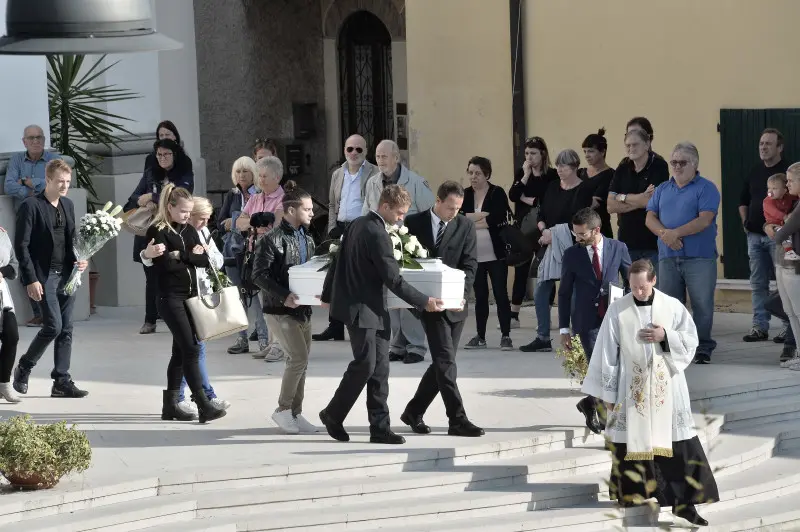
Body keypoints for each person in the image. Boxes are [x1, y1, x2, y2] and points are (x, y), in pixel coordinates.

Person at [581, 259, 719, 527]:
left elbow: (690, 340)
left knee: (677, 444)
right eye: (633, 287)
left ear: (653, 280)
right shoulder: (618, 310)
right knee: (633, 441)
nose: (638, 292)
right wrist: (606, 393)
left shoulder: (672, 306)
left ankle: (684, 504)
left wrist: (665, 335)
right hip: (631, 389)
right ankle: (634, 493)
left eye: (643, 287)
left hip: (666, 385)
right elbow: (606, 351)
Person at [319, 184, 444, 444]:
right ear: (384, 206)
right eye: (399, 213)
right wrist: (425, 301)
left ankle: (380, 427)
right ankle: (333, 413)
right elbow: (393, 280)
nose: (401, 219)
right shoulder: (377, 234)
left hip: (371, 308)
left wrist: (328, 295)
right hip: (361, 308)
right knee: (365, 365)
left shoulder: (356, 224)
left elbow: (337, 261)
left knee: (380, 369)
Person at [400, 181, 484, 437]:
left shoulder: (466, 226)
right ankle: (457, 419)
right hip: (429, 304)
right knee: (446, 361)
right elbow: (405, 261)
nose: (454, 212)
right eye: (450, 207)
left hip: (456, 304)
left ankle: (414, 411)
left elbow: (470, 265)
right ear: (437, 201)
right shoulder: (413, 224)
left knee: (442, 362)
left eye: (458, 208)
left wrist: (462, 295)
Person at [141, 197, 231, 417]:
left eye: (189, 212)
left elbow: (204, 261)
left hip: (191, 296)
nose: (186, 216)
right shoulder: (158, 230)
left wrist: (181, 255)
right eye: (183, 211)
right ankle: (203, 403)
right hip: (170, 297)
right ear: (170, 207)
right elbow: (166, 266)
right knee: (191, 348)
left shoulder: (188, 230)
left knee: (181, 351)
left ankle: (171, 405)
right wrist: (190, 257)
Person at [12, 159, 89, 398]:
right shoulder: (31, 206)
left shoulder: (68, 204)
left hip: (67, 274)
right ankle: (24, 366)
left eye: (67, 181)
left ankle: (61, 381)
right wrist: (30, 280)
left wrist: (81, 258)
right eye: (60, 182)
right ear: (47, 180)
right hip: (44, 276)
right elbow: (21, 246)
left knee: (66, 328)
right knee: (53, 325)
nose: (65, 186)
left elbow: (72, 239)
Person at [252, 182, 319, 434]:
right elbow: (258, 275)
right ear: (291, 210)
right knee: (297, 359)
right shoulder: (271, 240)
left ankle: (295, 412)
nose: (312, 213)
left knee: (302, 362)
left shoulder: (307, 237)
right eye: (308, 208)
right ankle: (282, 410)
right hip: (279, 310)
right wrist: (284, 296)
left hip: (303, 309)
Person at [645, 142, 720, 364]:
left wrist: (674, 233)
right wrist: (665, 234)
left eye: (682, 162)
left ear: (695, 164)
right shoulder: (662, 189)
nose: (676, 166)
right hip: (668, 257)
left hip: (700, 258)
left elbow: (705, 219)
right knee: (669, 305)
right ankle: (672, 345)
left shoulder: (706, 188)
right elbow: (649, 217)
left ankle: (702, 347)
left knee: (702, 305)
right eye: (674, 162)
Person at [558, 208, 631, 433]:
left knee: (615, 368)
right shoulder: (572, 254)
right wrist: (563, 329)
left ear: (596, 230)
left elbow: (631, 280)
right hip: (585, 321)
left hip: (613, 318)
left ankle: (589, 403)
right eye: (575, 234)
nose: (577, 239)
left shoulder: (618, 248)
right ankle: (609, 425)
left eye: (582, 235)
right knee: (597, 369)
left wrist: (629, 308)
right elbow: (564, 293)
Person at [362, 140, 435, 364]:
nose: (380, 160)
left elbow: (429, 211)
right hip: (382, 246)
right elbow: (367, 211)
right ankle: (398, 345)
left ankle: (415, 347)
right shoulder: (373, 182)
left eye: (385, 156)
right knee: (390, 296)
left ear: (396, 158)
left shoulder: (414, 181)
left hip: (409, 247)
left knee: (409, 295)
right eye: (378, 156)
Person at [521, 149, 594, 353]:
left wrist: (554, 234)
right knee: (541, 290)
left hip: (573, 244)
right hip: (548, 242)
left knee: (571, 292)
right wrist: (544, 230)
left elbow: (580, 219)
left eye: (564, 166)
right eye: (558, 165)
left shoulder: (583, 189)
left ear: (574, 168)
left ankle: (575, 336)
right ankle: (542, 336)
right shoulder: (552, 186)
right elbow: (542, 212)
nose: (559, 169)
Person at [125, 134, 194, 335]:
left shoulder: (183, 173)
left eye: (166, 154)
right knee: (151, 275)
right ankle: (150, 319)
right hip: (151, 229)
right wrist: (144, 200)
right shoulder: (150, 173)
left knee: (177, 271)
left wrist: (154, 196)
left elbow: (181, 196)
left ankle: (182, 316)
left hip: (174, 230)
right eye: (159, 154)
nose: (162, 158)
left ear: (175, 155)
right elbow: (134, 196)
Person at [314, 134, 377, 342]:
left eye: (359, 149)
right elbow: (332, 204)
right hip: (340, 227)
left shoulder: (373, 172)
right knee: (335, 277)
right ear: (344, 150)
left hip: (361, 228)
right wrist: (332, 226)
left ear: (366, 151)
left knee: (357, 276)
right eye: (350, 149)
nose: (354, 153)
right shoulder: (337, 174)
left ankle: (358, 321)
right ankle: (335, 325)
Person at [4, 124, 62, 327]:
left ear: (44, 139)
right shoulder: (17, 160)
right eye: (31, 138)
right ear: (24, 142)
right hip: (25, 219)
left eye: (39, 137)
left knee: (49, 266)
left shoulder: (53, 161)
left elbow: (55, 185)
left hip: (49, 218)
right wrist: (36, 190)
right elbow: (9, 185)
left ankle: (51, 313)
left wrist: (29, 183)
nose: (36, 141)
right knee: (26, 263)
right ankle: (39, 313)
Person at [739, 128, 791, 344]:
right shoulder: (754, 171)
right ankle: (759, 327)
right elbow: (742, 200)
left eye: (768, 144)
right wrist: (745, 222)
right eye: (761, 143)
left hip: (778, 239)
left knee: (783, 284)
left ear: (779, 147)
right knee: (758, 283)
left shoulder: (788, 175)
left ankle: (788, 329)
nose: (763, 147)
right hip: (754, 236)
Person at [230, 156, 283, 360]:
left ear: (276, 177)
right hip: (255, 254)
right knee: (264, 302)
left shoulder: (283, 198)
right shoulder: (255, 198)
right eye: (259, 176)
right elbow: (239, 223)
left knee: (277, 301)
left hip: (276, 257)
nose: (260, 180)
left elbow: (277, 225)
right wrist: (254, 222)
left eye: (264, 176)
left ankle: (280, 345)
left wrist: (259, 221)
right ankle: (271, 343)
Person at [459, 156, 514, 351]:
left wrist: (473, 220)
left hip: (496, 253)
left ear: (487, 174)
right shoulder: (464, 194)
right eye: (471, 172)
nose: (473, 177)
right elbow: (459, 218)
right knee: (480, 296)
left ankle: (506, 335)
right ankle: (480, 336)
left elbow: (497, 218)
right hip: (474, 255)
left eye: (478, 173)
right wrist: (481, 216)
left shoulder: (496, 193)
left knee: (500, 294)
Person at [507, 136, 557, 327]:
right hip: (523, 227)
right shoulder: (522, 172)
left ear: (542, 154)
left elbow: (546, 200)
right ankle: (514, 315)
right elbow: (513, 195)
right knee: (521, 269)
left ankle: (543, 316)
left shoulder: (551, 175)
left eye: (533, 153)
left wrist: (527, 198)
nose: (529, 157)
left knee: (545, 272)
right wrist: (525, 176)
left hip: (543, 227)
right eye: (527, 153)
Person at [607, 127, 670, 269]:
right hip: (626, 242)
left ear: (647, 145)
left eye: (635, 144)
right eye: (628, 145)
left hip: (651, 243)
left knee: (652, 289)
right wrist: (640, 199)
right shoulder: (623, 167)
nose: (631, 148)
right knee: (630, 289)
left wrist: (621, 197)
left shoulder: (659, 166)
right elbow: (610, 206)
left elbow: (651, 201)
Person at [217, 157, 261, 349]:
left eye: (245, 171)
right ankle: (241, 338)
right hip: (234, 250)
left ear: (254, 173)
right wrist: (233, 222)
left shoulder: (259, 194)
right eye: (238, 172)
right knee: (237, 295)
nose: (242, 175)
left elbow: (259, 220)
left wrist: (235, 221)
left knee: (257, 293)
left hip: (255, 248)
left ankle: (263, 337)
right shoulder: (232, 195)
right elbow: (220, 224)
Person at [767, 165, 800, 371]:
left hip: (795, 267)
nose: (787, 185)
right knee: (791, 312)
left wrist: (776, 228)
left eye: (791, 181)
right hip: (787, 264)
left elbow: (781, 234)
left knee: (797, 311)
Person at [578, 128, 614, 238]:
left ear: (602, 152)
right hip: (579, 230)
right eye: (585, 151)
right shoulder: (580, 173)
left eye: (591, 151)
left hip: (601, 231)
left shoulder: (611, 175)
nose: (587, 155)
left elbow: (596, 203)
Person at [0, 227, 21, 403]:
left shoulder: (2, 234)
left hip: (2, 296)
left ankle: (4, 384)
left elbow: (13, 264)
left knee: (11, 336)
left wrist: (2, 272)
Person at [763, 173, 798, 261]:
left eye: (774, 188)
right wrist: (785, 217)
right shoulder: (767, 201)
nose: (770, 192)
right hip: (773, 224)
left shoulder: (788, 197)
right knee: (783, 234)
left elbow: (796, 197)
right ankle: (789, 252)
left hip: (783, 224)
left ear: (784, 190)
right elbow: (775, 213)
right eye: (769, 188)